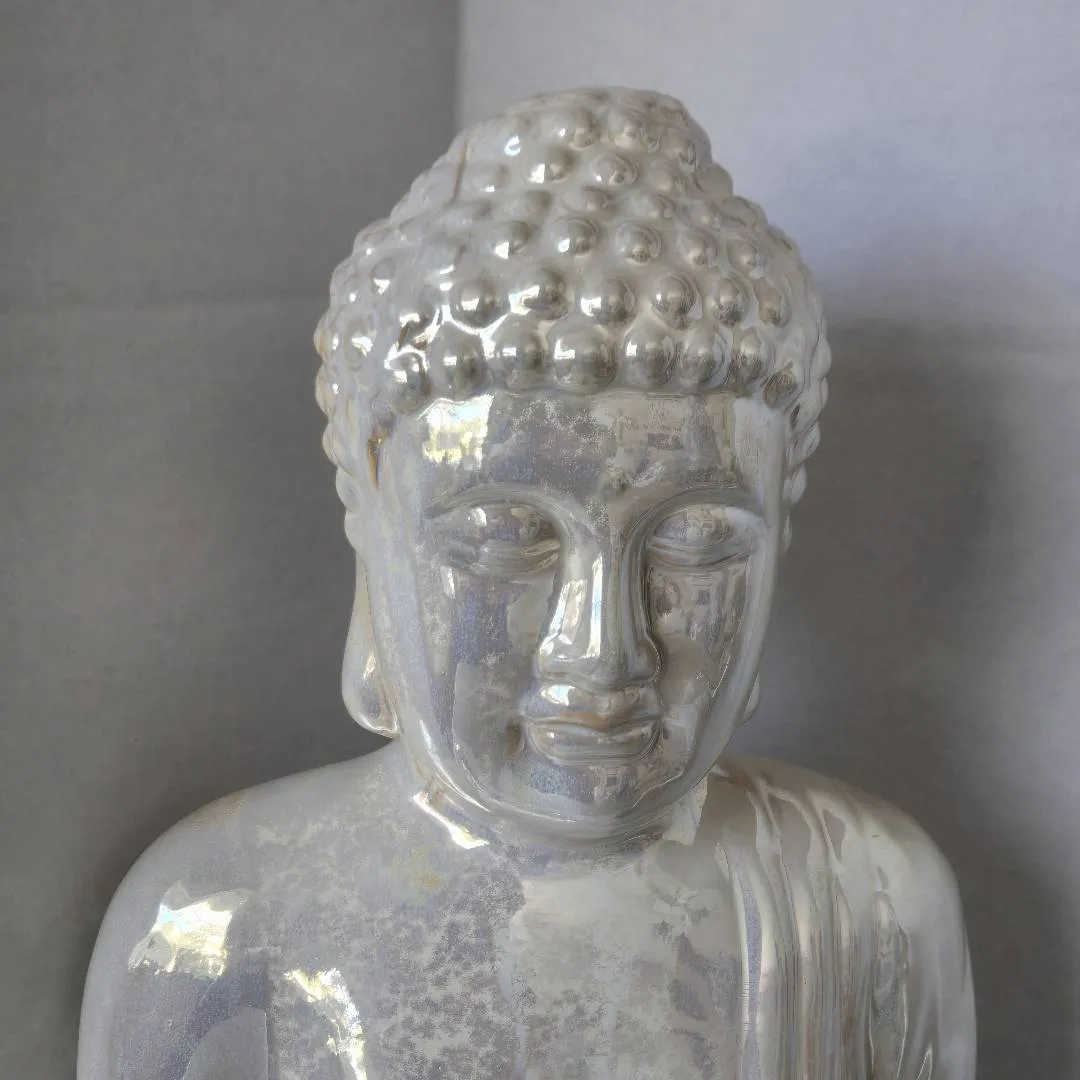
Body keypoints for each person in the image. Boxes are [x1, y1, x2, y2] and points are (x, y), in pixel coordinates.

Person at [78, 87, 975, 1079]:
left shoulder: (870, 901)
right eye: (504, 540)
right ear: (377, 545)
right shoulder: (217, 919)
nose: (604, 654)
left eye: (694, 542)